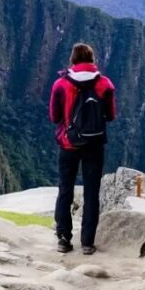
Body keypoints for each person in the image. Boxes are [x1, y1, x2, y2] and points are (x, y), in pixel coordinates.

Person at [49, 42, 116, 255]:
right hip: (94, 145)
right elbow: (111, 115)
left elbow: (54, 117)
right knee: (91, 193)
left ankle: (63, 239)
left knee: (65, 190)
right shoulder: (105, 84)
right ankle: (87, 243)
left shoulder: (60, 84)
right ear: (92, 59)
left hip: (68, 144)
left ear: (73, 60)